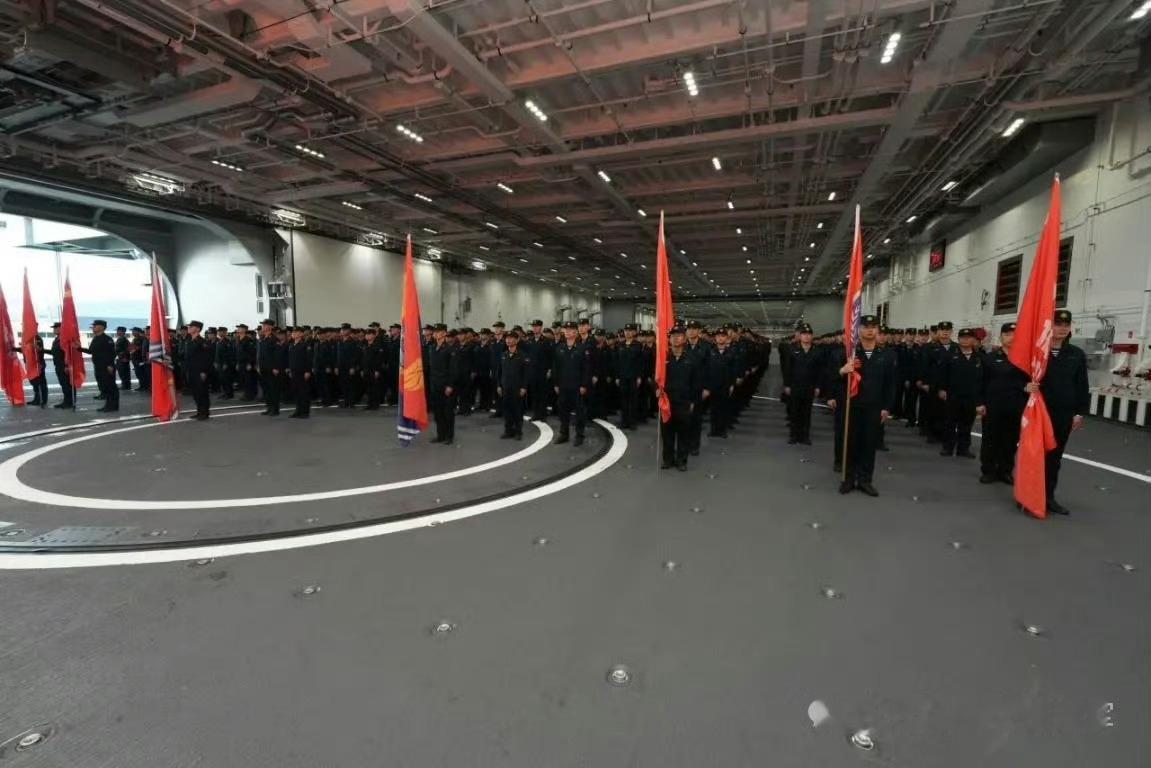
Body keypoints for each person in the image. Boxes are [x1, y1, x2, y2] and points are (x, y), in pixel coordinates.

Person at [826, 314, 897, 496]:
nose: (870, 330)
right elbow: (831, 378)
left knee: (869, 444)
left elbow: (890, 384)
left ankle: (865, 480)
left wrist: (886, 407)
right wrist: (842, 370)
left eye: (873, 327)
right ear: (858, 330)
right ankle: (848, 478)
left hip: (873, 407)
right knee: (850, 442)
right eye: (865, 327)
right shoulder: (846, 353)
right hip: (851, 405)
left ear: (878, 330)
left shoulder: (887, 355)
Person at [1029, 309, 1090, 516]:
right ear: (1049, 326)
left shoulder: (1076, 354)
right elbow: (1020, 377)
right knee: (1034, 455)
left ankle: (1048, 497)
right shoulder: (1037, 352)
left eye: (1066, 325)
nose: (1062, 328)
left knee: (1054, 457)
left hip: (1063, 414)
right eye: (1058, 324)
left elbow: (1082, 385)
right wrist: (1025, 387)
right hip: (1039, 413)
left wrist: (1079, 412)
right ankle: (1029, 496)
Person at [980, 322, 1029, 484]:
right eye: (1007, 334)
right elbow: (980, 382)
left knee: (1011, 441)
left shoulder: (1026, 360)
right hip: (993, 406)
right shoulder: (989, 358)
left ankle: (1005, 471)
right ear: (1001, 337)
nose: (1011, 338)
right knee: (990, 440)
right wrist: (980, 403)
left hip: (1016, 406)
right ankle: (988, 471)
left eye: (1015, 335)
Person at [658, 325, 704, 471]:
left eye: (679, 336)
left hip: (684, 402)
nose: (676, 339)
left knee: (684, 433)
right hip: (667, 401)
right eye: (673, 336)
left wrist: (693, 401)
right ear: (669, 339)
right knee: (667, 433)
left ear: (684, 339)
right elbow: (657, 378)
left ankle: (681, 461)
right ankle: (668, 459)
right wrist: (656, 390)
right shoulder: (664, 359)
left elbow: (697, 382)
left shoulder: (692, 358)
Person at [938, 328, 983, 458]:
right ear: (958, 339)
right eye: (962, 337)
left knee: (967, 424)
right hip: (953, 395)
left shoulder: (980, 358)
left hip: (971, 397)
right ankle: (948, 447)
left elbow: (982, 379)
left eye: (968, 338)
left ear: (974, 340)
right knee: (950, 423)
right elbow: (942, 374)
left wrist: (981, 399)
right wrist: (942, 389)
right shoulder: (950, 355)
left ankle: (963, 449)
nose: (965, 340)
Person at [551, 320, 590, 446]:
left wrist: (584, 385)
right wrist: (556, 383)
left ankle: (579, 435)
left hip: (577, 386)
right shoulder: (560, 348)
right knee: (563, 411)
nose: (567, 332)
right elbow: (555, 368)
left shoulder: (582, 348)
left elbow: (586, 368)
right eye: (566, 330)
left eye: (570, 330)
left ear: (575, 332)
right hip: (563, 385)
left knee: (579, 412)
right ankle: (564, 434)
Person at [782, 323, 821, 445]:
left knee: (806, 412)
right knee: (795, 412)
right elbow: (787, 368)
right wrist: (787, 385)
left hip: (810, 386)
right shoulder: (792, 349)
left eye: (809, 334)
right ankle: (794, 435)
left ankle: (805, 436)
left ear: (812, 336)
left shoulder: (817, 351)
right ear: (800, 336)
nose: (806, 336)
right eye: (804, 334)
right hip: (795, 386)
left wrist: (818, 386)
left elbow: (820, 370)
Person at [428, 323, 459, 444]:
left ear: (444, 333)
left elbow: (453, 369)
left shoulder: (450, 349)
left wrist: (450, 385)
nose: (436, 334)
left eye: (438, 331)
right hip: (435, 384)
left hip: (446, 386)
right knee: (438, 412)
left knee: (448, 412)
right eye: (435, 332)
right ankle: (440, 435)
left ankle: (449, 436)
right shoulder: (432, 348)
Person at [497, 330, 528, 439]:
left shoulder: (522, 355)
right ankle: (508, 431)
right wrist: (499, 385)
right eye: (507, 338)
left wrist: (524, 387)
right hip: (505, 387)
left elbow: (526, 373)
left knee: (517, 410)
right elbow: (499, 372)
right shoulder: (503, 355)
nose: (508, 340)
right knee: (507, 410)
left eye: (511, 338)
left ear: (517, 340)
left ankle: (518, 432)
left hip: (517, 387)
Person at [614, 323, 644, 430]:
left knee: (633, 400)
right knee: (623, 400)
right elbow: (617, 362)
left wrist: (639, 376)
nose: (627, 333)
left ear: (634, 332)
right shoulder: (620, 345)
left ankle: (632, 422)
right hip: (622, 376)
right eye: (626, 331)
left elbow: (640, 362)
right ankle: (624, 421)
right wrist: (617, 377)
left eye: (630, 331)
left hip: (633, 377)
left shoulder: (638, 345)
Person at [86, 319, 118, 412]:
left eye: (95, 326)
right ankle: (108, 405)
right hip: (98, 366)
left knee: (110, 387)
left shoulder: (107, 339)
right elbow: (91, 351)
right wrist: (78, 348)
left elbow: (112, 353)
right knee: (104, 386)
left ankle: (112, 406)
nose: (93, 328)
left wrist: (110, 365)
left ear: (101, 327)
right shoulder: (95, 338)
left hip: (107, 367)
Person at [183, 320, 213, 420]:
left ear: (197, 329)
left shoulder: (203, 342)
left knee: (202, 392)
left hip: (200, 372)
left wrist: (204, 371)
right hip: (191, 371)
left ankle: (205, 413)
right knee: (195, 393)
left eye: (191, 327)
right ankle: (199, 411)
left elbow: (207, 358)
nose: (189, 328)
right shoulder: (189, 341)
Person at [257, 319, 282, 416]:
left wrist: (276, 367)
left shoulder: (274, 339)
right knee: (266, 390)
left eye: (264, 325)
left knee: (273, 389)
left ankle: (275, 409)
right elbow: (261, 355)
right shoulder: (263, 339)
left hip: (272, 369)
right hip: (264, 369)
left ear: (270, 327)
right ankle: (269, 407)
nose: (263, 327)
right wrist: (259, 366)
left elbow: (277, 355)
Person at [288, 326, 313, 419]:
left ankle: (305, 412)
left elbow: (309, 359)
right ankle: (298, 410)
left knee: (304, 393)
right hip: (294, 372)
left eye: (296, 332)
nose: (294, 334)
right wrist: (290, 370)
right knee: (296, 392)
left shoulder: (305, 345)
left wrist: (308, 371)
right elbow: (290, 359)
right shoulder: (291, 345)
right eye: (293, 332)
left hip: (303, 372)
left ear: (301, 334)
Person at [49, 322, 73, 408]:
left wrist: (67, 365)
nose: (54, 329)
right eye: (54, 328)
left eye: (56, 327)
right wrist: (41, 350)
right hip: (58, 365)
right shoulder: (56, 339)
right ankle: (66, 401)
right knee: (63, 384)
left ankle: (69, 402)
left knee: (67, 384)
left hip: (64, 365)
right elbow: (54, 352)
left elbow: (68, 353)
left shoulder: (65, 339)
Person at [215, 325, 236, 399]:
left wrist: (226, 363)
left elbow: (229, 354)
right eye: (218, 331)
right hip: (219, 363)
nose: (218, 333)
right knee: (222, 379)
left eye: (220, 331)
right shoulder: (219, 341)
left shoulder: (227, 342)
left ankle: (229, 393)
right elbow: (217, 353)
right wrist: (216, 362)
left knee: (227, 379)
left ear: (224, 332)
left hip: (225, 364)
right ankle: (224, 392)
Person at [114, 326, 132, 390]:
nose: (117, 332)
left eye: (118, 331)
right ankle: (126, 385)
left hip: (122, 358)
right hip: (122, 358)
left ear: (122, 332)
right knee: (124, 373)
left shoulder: (122, 339)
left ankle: (125, 386)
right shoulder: (122, 339)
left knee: (123, 373)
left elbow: (118, 350)